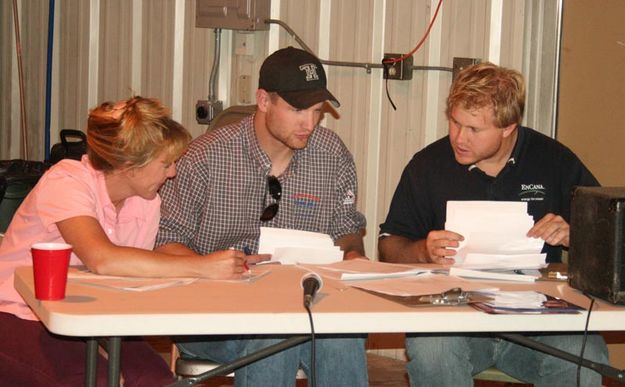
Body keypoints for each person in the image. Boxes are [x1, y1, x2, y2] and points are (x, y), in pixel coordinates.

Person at [0, 96, 265, 386]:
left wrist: (224, 265)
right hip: (19, 312)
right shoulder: (67, 180)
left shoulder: (146, 201)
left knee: (154, 380)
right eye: (166, 163)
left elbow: (135, 271)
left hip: (96, 319)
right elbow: (102, 259)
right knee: (95, 380)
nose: (173, 172)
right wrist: (202, 267)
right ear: (129, 165)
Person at [378, 62, 609, 387]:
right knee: (432, 348)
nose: (459, 137)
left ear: (508, 127)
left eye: (474, 130)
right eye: (455, 123)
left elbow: (610, 240)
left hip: (539, 321)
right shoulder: (427, 166)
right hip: (456, 318)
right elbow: (389, 246)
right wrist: (422, 250)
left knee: (585, 354)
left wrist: (576, 236)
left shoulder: (554, 161)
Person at [155, 46, 369, 386]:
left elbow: (346, 232)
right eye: (297, 109)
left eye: (317, 111)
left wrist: (354, 258)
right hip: (211, 312)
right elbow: (165, 244)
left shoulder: (332, 154)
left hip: (302, 305)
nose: (309, 123)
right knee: (276, 334)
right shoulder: (205, 158)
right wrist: (212, 266)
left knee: (341, 335)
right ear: (264, 100)